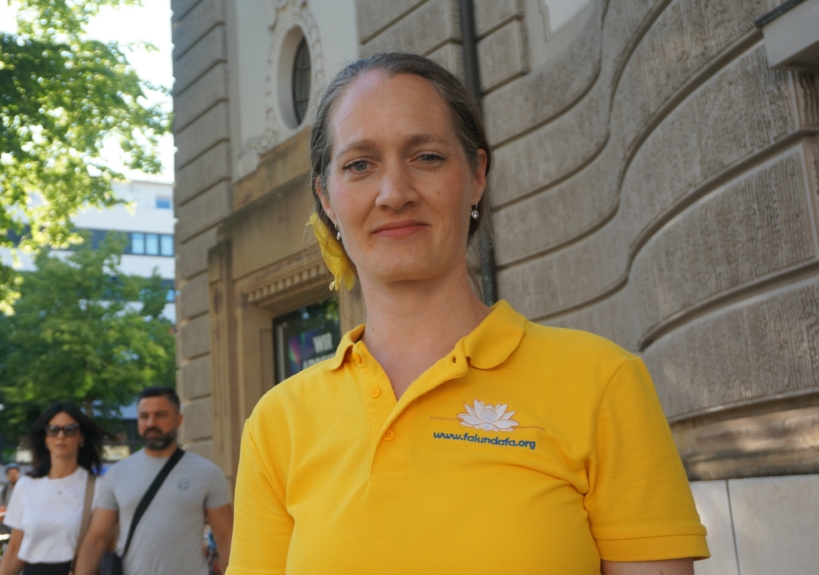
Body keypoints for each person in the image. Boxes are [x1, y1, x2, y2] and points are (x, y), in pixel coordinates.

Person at [227, 53, 710, 575]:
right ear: (326, 196)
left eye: (427, 156)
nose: (394, 193)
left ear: (477, 175)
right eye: (359, 164)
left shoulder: (602, 382)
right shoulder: (276, 424)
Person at [74, 387, 233, 575]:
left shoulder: (207, 473)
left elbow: (226, 539)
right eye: (144, 416)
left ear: (178, 419)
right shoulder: (117, 474)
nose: (151, 423)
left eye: (160, 415)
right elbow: (96, 539)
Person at [0, 403, 109, 575]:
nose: (60, 436)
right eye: (53, 430)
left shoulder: (98, 486)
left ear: (81, 437)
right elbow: (14, 548)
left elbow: (101, 544)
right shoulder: (26, 485)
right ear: (45, 438)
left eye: (70, 429)